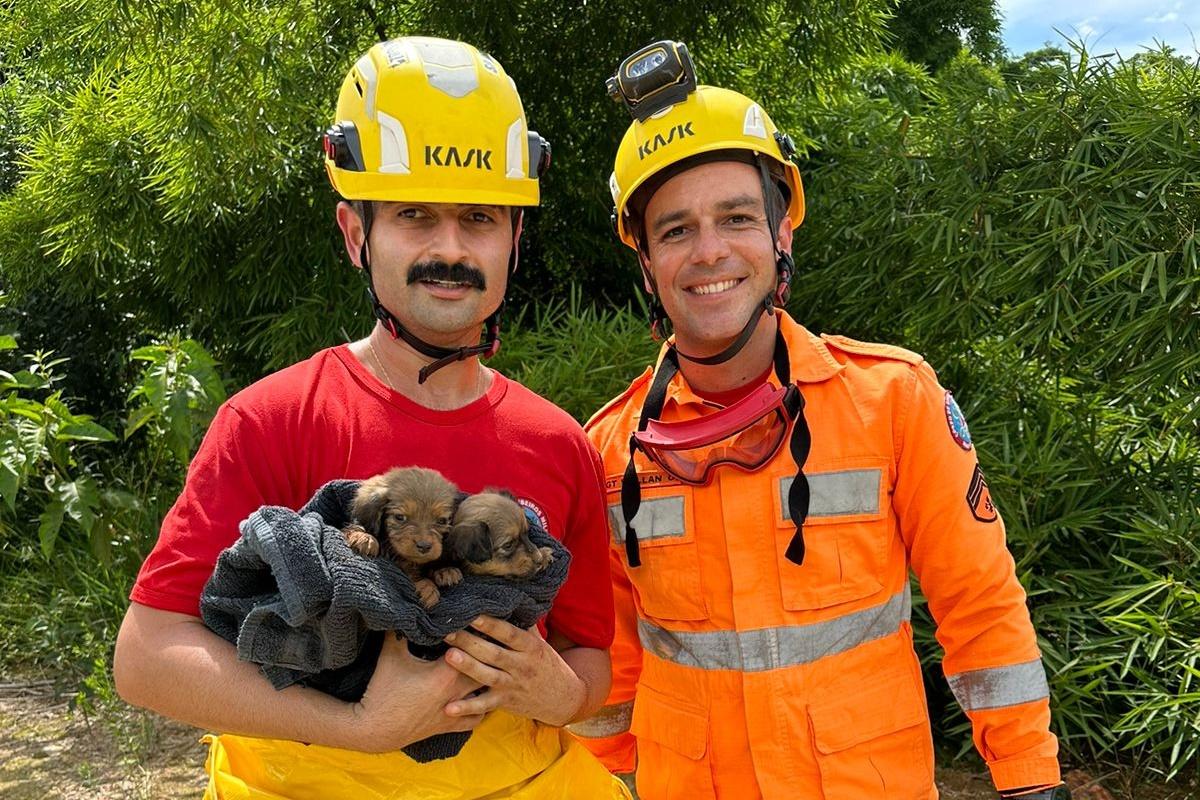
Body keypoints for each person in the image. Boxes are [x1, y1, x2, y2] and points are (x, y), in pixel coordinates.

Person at [113, 36, 627, 799]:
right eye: (415, 215)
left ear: (515, 239)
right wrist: (360, 727)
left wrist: (564, 695)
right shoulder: (270, 421)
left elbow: (590, 658)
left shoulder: (558, 443)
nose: (449, 249)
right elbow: (147, 657)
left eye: (480, 218)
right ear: (358, 234)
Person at [570, 41, 1069, 800]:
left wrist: (1031, 780)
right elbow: (609, 668)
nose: (709, 252)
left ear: (782, 233)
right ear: (645, 262)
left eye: (736, 217)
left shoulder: (892, 400)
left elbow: (981, 606)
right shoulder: (609, 451)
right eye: (674, 230)